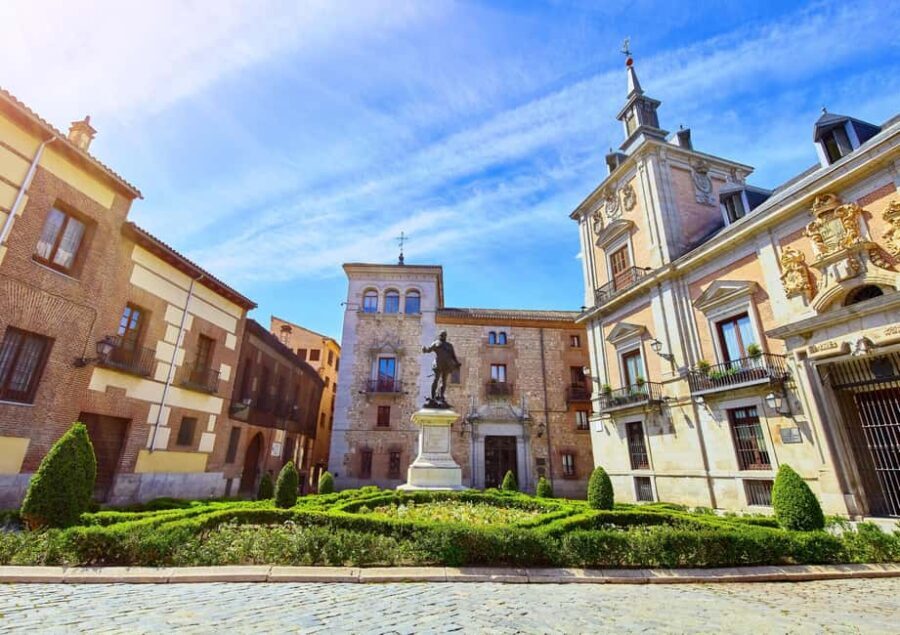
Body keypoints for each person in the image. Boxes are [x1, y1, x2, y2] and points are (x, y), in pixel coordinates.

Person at [422, 330, 461, 407]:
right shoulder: (436, 343)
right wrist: (424, 349)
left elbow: (453, 356)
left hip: (446, 365)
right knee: (435, 380)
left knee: (444, 381)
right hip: (438, 364)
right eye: (441, 335)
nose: (442, 336)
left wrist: (457, 363)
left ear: (446, 336)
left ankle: (441, 396)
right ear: (440, 336)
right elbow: (428, 350)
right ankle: (433, 397)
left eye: (444, 335)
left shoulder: (449, 345)